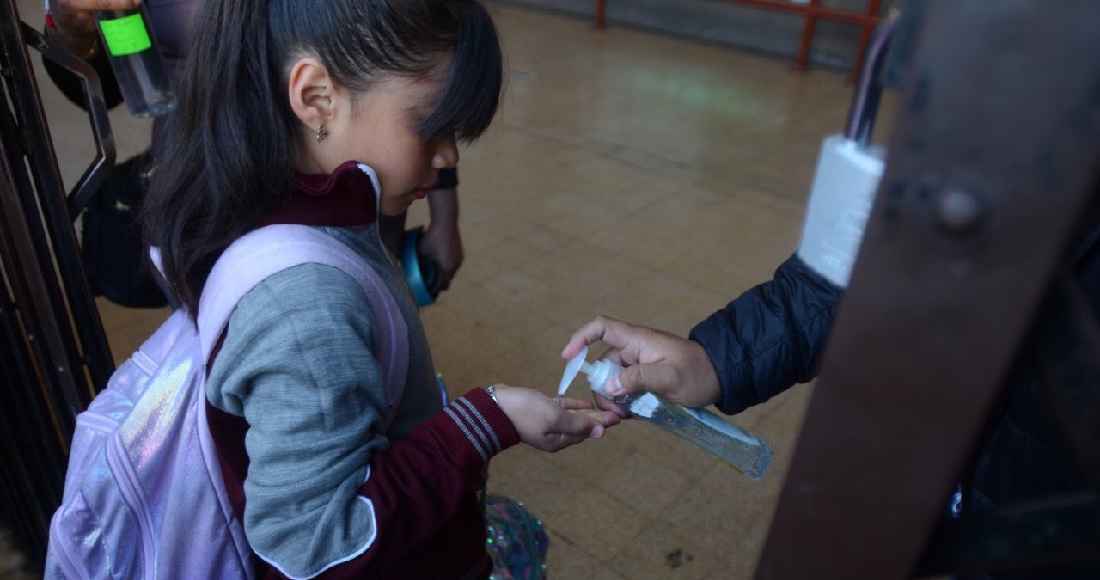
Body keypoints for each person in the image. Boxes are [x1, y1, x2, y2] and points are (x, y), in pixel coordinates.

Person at [137, 0, 620, 579]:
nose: (448, 155)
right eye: (431, 124)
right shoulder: (307, 306)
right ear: (317, 98)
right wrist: (484, 423)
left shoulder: (289, 207)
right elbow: (314, 543)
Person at [43, 0, 467, 300]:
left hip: (354, 197)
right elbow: (103, 88)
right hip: (210, 207)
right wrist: (76, 33)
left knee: (368, 322)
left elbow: (425, 71)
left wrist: (444, 216)